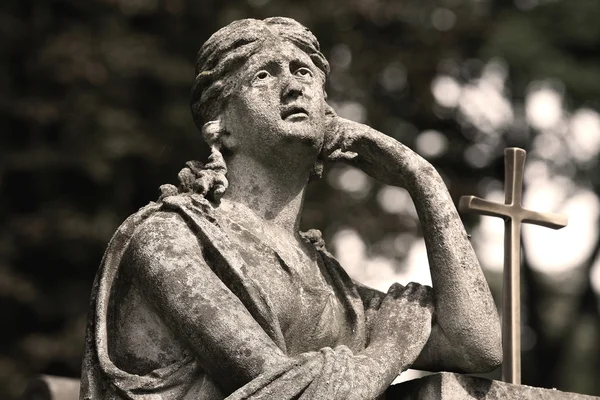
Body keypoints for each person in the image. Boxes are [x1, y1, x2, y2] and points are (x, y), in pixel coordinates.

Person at [80, 17, 501, 400]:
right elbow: (288, 392)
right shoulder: (171, 239)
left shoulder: (329, 282)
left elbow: (477, 346)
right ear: (219, 125)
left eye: (302, 72)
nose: (292, 86)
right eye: (263, 75)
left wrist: (421, 177)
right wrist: (390, 348)